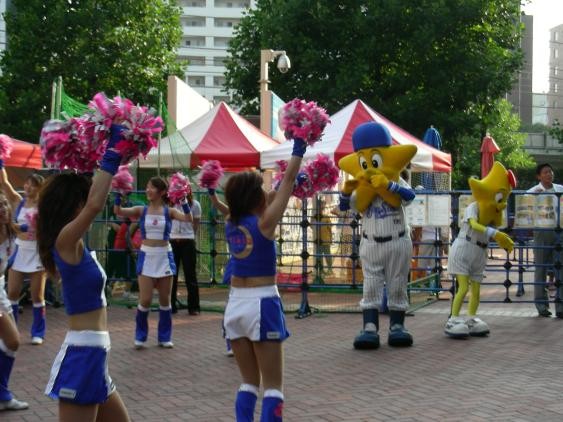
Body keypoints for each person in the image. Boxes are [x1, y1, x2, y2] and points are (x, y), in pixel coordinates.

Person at [37, 125, 130, 420]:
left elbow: (92, 200)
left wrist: (94, 161)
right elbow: (95, 203)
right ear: (72, 206)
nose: (86, 206)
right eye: (81, 201)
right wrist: (112, 154)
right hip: (82, 355)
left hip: (96, 356)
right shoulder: (64, 241)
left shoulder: (76, 244)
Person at [221, 137, 304, 421]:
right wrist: (299, 148)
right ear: (255, 197)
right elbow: (287, 181)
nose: (266, 191)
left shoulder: (230, 221)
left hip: (235, 305)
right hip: (262, 303)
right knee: (273, 387)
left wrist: (279, 187)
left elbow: (273, 193)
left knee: (248, 383)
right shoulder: (265, 224)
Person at [338, 122, 417, 349]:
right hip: (371, 241)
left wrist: (389, 185)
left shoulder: (395, 178)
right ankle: (370, 327)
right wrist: (346, 191)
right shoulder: (361, 186)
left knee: (397, 283)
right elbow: (344, 207)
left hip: (397, 238)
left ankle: (397, 326)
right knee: (371, 285)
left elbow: (410, 196)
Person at [114, 176, 193, 349]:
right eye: (147, 187)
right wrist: (119, 193)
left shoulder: (169, 211)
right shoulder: (141, 210)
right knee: (145, 299)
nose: (148, 190)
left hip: (164, 256)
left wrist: (183, 200)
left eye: (152, 187)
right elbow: (118, 211)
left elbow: (188, 219)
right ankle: (140, 336)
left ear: (162, 192)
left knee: (165, 299)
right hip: (147, 256)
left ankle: (164, 337)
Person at [445, 162, 516, 337]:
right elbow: (474, 225)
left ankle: (471, 317)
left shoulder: (493, 212)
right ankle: (453, 318)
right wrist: (495, 233)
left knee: (476, 289)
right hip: (464, 248)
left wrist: (501, 239)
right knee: (463, 287)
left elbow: (492, 228)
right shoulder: (474, 207)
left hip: (479, 251)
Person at [0, 167, 47, 345]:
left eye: (32, 185)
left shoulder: (44, 207)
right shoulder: (18, 201)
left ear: (39, 188)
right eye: (26, 184)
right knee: (12, 292)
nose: (27, 187)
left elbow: (49, 228)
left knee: (37, 295)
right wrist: (1, 163)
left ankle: (38, 332)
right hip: (19, 250)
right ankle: (13, 329)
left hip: (37, 251)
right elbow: (5, 184)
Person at [0, 193, 29, 411]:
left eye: (4, 204)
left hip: (0, 290)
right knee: (13, 340)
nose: (2, 208)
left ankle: (3, 395)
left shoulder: (12, 230)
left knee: (10, 343)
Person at [527, 163, 563, 318]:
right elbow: (526, 213)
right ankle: (542, 306)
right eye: (546, 172)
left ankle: (560, 307)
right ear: (539, 176)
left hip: (559, 231)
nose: (549, 174)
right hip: (541, 231)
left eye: (551, 171)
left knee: (560, 268)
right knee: (540, 268)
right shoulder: (532, 192)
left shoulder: (560, 189)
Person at [170, 190, 201, 315]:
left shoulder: (195, 204)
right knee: (171, 274)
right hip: (173, 241)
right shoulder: (171, 204)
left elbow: (196, 224)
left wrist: (189, 235)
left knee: (190, 274)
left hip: (188, 241)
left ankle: (194, 307)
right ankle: (170, 305)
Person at [312, 200, 333, 276]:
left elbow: (330, 229)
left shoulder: (326, 217)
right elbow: (312, 227)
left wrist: (331, 238)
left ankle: (330, 269)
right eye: (321, 206)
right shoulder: (314, 217)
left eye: (322, 206)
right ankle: (321, 270)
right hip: (318, 240)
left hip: (326, 240)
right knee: (319, 257)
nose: (322, 207)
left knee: (328, 256)